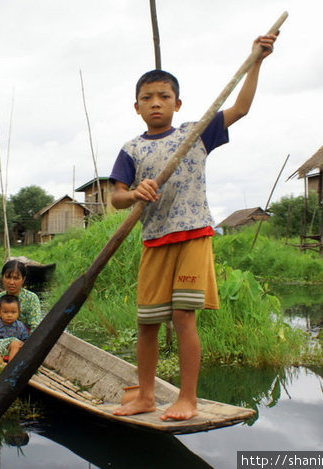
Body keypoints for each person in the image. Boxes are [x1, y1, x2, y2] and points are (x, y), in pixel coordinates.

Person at [109, 34, 278, 421]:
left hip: (193, 235)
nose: (156, 102)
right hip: (154, 240)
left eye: (164, 96)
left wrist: (257, 62)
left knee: (184, 317)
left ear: (177, 103)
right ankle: (146, 396)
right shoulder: (132, 148)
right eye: (148, 97)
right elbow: (115, 198)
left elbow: (242, 107)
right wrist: (136, 193)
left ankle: (187, 398)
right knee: (147, 322)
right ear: (136, 107)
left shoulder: (195, 133)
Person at [0, 259, 43, 333]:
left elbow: (35, 326)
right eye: (8, 277)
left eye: (16, 278)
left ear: (23, 279)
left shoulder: (31, 298)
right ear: (2, 277)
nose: (11, 282)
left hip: (23, 339)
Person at [0, 294, 29, 364]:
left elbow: (25, 339)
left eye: (13, 312)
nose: (9, 315)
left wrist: (22, 343)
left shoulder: (20, 326)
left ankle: (11, 364)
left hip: (10, 347)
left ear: (18, 313)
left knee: (16, 343)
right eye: (5, 312)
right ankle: (1, 363)